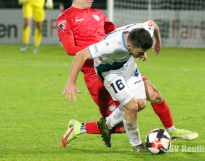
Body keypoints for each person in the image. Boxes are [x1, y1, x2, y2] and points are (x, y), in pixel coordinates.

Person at [56, 0, 198, 149]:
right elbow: (71, 49)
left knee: (150, 98)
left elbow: (115, 33)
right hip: (95, 72)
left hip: (121, 62)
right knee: (122, 124)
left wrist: (136, 48)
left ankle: (171, 129)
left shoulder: (98, 14)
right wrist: (101, 48)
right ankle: (78, 128)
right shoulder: (66, 18)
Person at [62, 22, 157, 152]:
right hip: (109, 71)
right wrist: (71, 82)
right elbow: (81, 55)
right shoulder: (111, 45)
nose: (143, 54)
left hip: (127, 65)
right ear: (129, 45)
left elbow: (153, 25)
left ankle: (106, 124)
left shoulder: (144, 31)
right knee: (131, 106)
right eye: (141, 51)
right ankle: (137, 146)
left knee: (141, 103)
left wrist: (156, 44)